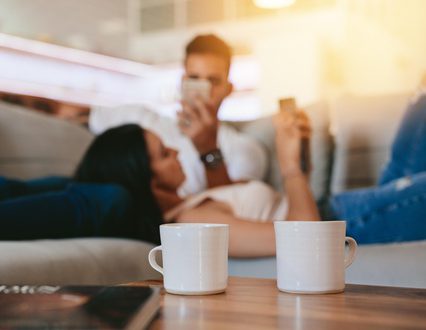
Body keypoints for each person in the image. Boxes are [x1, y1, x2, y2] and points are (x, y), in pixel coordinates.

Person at [0, 110, 320, 257]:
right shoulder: (192, 220)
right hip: (352, 219)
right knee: (102, 195)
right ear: (146, 177)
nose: (178, 151)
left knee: (82, 189)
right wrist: (291, 167)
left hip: (346, 212)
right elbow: (307, 239)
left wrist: (209, 148)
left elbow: (228, 191)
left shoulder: (189, 204)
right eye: (165, 153)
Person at [89, 34, 268, 196]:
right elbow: (77, 115)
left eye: (213, 81)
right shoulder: (142, 119)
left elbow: (237, 208)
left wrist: (209, 150)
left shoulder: (245, 149)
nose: (202, 90)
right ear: (183, 82)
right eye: (194, 78)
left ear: (228, 89)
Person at [330, 93, 426, 244]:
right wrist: (292, 170)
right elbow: (302, 226)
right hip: (327, 225)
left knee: (423, 100)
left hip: (334, 206)